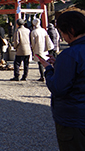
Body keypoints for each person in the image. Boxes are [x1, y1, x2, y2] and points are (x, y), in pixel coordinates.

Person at [38, 11, 85, 150]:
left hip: (74, 117)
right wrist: (59, 64)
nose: (63, 38)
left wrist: (49, 69)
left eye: (62, 33)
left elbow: (58, 88)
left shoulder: (70, 55)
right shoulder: (69, 57)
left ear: (70, 30)